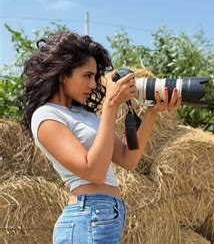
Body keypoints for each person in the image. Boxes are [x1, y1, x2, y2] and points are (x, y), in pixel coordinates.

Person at [20, 31, 182, 243]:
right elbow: (93, 171)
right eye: (86, 76)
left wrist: (152, 112)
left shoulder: (84, 114)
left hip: (106, 216)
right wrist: (111, 105)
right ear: (62, 74)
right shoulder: (46, 116)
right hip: (86, 217)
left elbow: (127, 158)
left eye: (95, 77)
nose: (93, 85)